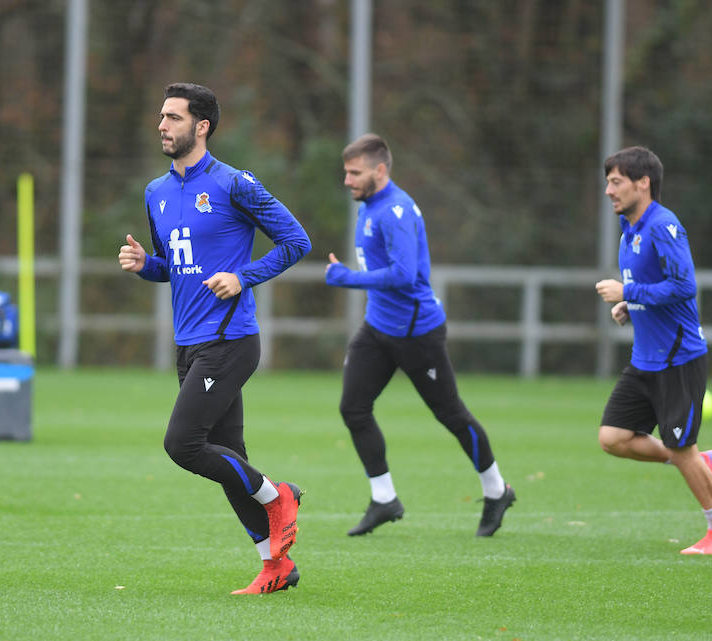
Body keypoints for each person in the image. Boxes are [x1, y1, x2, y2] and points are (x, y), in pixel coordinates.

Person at [118, 83, 311, 595]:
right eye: (161, 116)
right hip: (189, 343)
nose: (162, 125)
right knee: (228, 457)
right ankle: (276, 566)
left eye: (174, 117)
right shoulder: (156, 192)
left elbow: (297, 241)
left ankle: (279, 496)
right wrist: (145, 266)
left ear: (201, 127)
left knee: (182, 444)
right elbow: (174, 268)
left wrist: (244, 276)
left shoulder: (234, 184)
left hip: (230, 340)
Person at [324, 133, 514, 539]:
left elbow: (404, 274)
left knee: (451, 415)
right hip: (377, 328)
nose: (347, 181)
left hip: (416, 333)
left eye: (354, 173)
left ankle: (497, 491)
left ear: (380, 170)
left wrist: (349, 278)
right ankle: (384, 498)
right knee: (354, 407)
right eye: (345, 172)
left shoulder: (396, 210)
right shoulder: (369, 205)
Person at [593, 146, 712, 555]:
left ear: (643, 183)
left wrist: (628, 291)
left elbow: (684, 285)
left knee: (680, 446)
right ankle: (698, 464)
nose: (608, 190)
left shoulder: (662, 226)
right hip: (646, 359)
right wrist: (630, 306)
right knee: (613, 438)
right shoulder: (629, 230)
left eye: (616, 181)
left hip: (679, 359)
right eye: (608, 181)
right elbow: (656, 289)